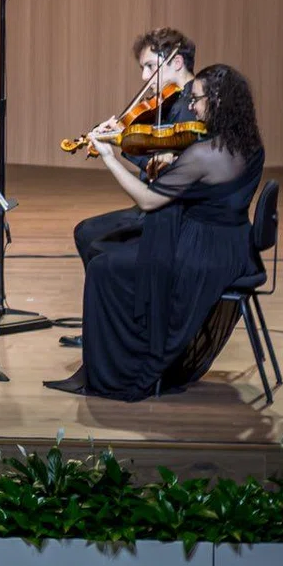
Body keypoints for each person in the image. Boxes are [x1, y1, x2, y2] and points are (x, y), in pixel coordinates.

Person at [45, 64, 264, 400]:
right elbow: (209, 188)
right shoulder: (247, 143)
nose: (191, 106)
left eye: (198, 99)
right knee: (114, 254)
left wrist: (109, 157)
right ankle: (118, 350)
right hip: (232, 246)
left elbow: (148, 201)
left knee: (104, 268)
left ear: (219, 101)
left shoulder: (206, 154)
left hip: (202, 254)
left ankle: (118, 371)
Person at [62, 28, 200, 349]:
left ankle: (120, 324)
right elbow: (153, 165)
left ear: (176, 62)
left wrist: (122, 143)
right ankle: (107, 322)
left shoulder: (189, 107)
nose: (144, 75)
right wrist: (122, 141)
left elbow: (161, 173)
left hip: (173, 215)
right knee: (86, 232)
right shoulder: (173, 103)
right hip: (160, 202)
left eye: (150, 66)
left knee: (92, 239)